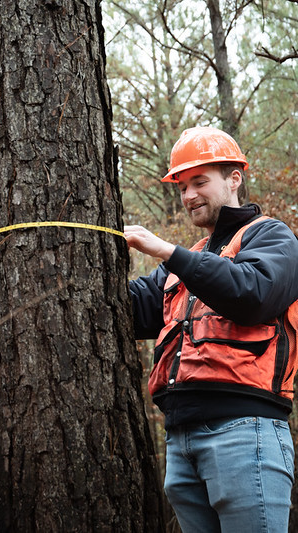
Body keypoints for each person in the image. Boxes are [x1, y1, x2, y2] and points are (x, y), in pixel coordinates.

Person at [125, 126, 298, 533]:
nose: (188, 196)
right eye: (182, 186)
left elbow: (253, 295)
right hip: (180, 442)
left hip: (245, 432)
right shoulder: (189, 261)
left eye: (199, 182)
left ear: (234, 178)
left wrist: (166, 250)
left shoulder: (273, 237)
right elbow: (130, 312)